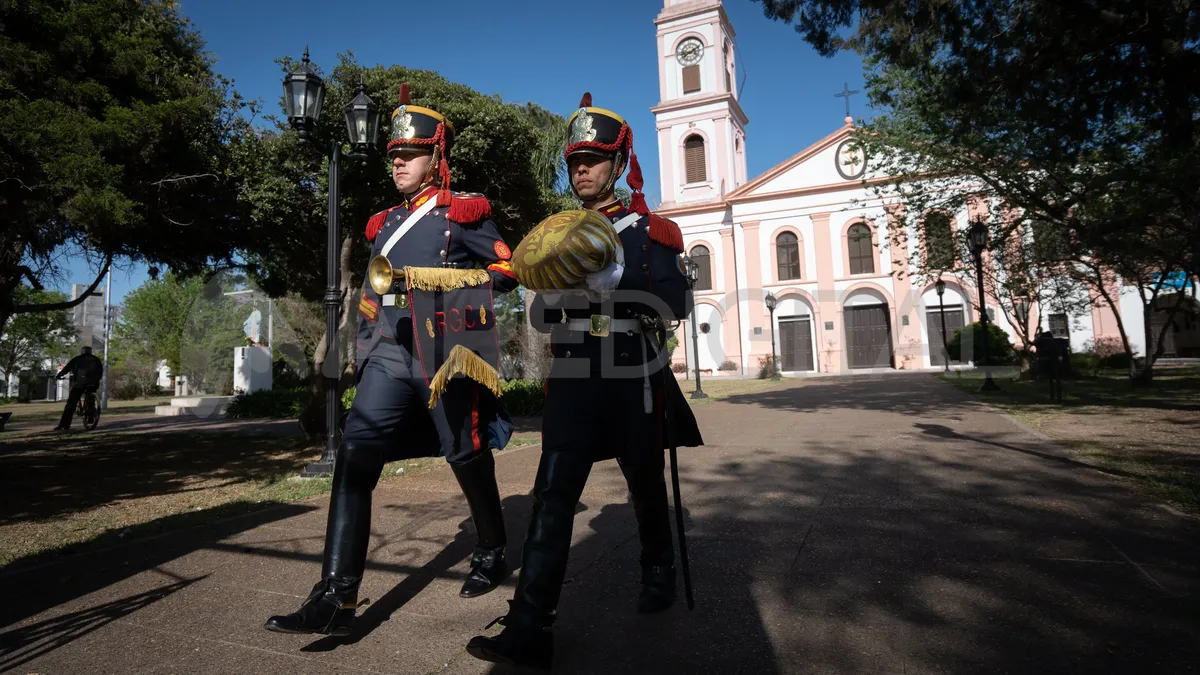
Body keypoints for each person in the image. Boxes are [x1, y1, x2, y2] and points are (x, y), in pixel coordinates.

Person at [264, 84, 520, 637]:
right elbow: (370, 294)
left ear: (436, 158)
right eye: (395, 155)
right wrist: (363, 343)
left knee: (465, 454)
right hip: (387, 354)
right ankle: (335, 595)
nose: (399, 162)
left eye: (410, 154)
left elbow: (506, 272)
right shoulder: (382, 223)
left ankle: (493, 547)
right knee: (356, 457)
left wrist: (437, 281)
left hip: (443, 353)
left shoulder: (464, 214)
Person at [465, 93, 703, 669]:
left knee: (644, 483)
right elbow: (543, 317)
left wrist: (610, 294)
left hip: (631, 375)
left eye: (594, 159)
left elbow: (675, 304)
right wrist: (561, 292)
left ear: (618, 165)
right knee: (552, 495)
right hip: (573, 375)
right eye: (575, 160)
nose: (582, 169)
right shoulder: (555, 238)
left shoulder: (652, 231)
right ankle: (530, 624)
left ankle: (658, 566)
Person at [54, 345, 103, 431]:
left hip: (80, 383)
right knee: (90, 399)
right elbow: (101, 372)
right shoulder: (96, 360)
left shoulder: (77, 359)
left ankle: (64, 425)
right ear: (90, 352)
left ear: (82, 352)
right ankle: (90, 416)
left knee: (71, 404)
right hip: (94, 383)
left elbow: (67, 369)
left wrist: (59, 375)